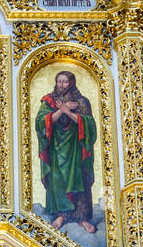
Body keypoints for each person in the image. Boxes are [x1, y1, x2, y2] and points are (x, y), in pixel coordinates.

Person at [35, 70, 97, 234]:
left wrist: (69, 112)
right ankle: (61, 215)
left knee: (79, 178)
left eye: (65, 82)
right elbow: (41, 124)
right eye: (59, 81)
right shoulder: (48, 101)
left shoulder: (81, 101)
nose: (61, 85)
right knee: (58, 179)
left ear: (72, 83)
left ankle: (82, 217)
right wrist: (61, 110)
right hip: (56, 147)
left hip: (76, 147)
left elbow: (89, 125)